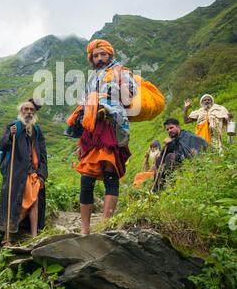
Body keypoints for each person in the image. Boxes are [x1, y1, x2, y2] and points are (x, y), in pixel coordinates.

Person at [66, 39, 136, 235]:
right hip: (91, 128)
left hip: (113, 126)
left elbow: (129, 99)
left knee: (110, 175)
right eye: (95, 56)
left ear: (110, 55)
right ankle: (85, 230)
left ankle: (105, 227)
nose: (99, 58)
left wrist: (117, 88)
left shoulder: (122, 71)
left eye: (102, 54)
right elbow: (85, 103)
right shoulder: (91, 78)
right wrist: (81, 136)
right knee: (86, 179)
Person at [0, 99, 47, 246]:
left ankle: (34, 236)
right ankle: (7, 237)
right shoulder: (14, 127)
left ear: (35, 113)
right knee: (15, 203)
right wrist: (9, 136)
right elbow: (2, 146)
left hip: (33, 173)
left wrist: (42, 174)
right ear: (21, 112)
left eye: (31, 110)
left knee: (34, 201)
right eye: (26, 109)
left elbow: (43, 154)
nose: (29, 112)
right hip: (16, 173)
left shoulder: (37, 131)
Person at [153, 118, 208, 189]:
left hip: (188, 162)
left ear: (178, 127)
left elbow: (183, 152)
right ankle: (158, 187)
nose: (169, 130)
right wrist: (168, 144)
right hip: (178, 162)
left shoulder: (186, 136)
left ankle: (170, 184)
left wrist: (170, 143)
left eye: (171, 127)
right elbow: (164, 153)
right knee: (158, 159)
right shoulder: (176, 139)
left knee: (170, 156)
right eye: (167, 129)